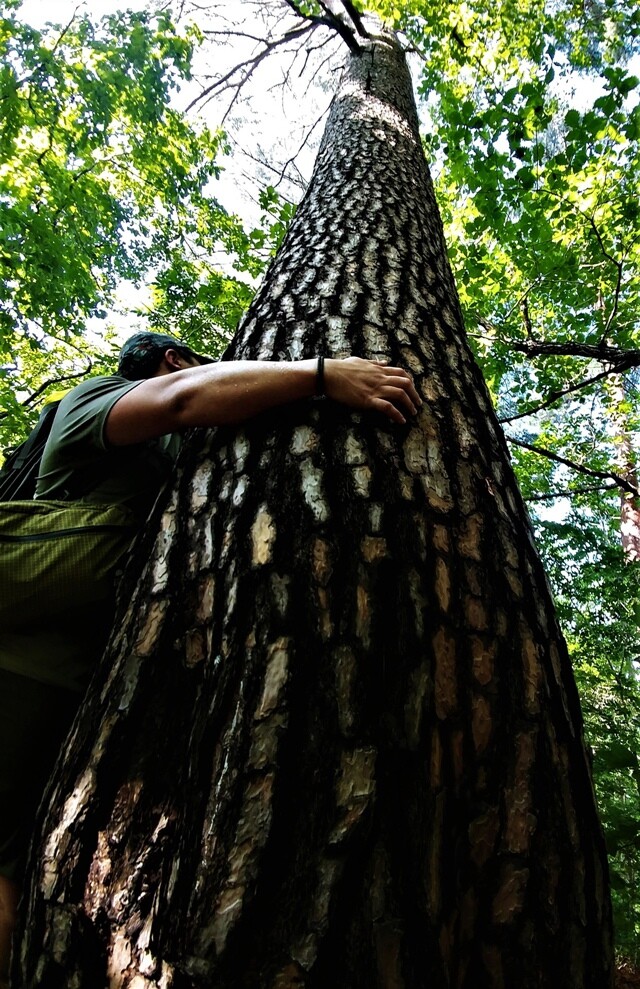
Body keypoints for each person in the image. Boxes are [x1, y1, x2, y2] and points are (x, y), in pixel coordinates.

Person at [0, 331, 421, 984]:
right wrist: (320, 374)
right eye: (201, 361)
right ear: (172, 359)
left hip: (54, 689)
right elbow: (177, 402)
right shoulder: (94, 402)